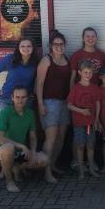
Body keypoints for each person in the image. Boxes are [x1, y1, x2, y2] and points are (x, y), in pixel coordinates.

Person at [0, 85, 52, 193]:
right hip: (2, 153)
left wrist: (33, 152)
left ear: (28, 98)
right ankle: (9, 182)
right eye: (17, 97)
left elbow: (33, 137)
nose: (20, 100)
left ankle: (16, 168)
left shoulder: (30, 114)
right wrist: (20, 145)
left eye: (23, 97)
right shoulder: (5, 113)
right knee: (8, 148)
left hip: (19, 153)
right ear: (12, 98)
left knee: (45, 160)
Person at [36, 30, 71, 179]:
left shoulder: (67, 60)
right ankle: (46, 172)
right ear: (51, 46)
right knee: (50, 138)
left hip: (64, 103)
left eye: (61, 44)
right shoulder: (46, 60)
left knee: (60, 138)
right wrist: (40, 104)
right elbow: (39, 84)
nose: (59, 47)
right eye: (56, 44)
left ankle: (52, 164)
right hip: (49, 103)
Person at [67, 60, 101, 182]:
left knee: (91, 145)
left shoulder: (94, 87)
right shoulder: (76, 88)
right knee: (80, 146)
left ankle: (91, 168)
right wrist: (81, 111)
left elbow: (97, 103)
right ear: (80, 72)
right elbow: (69, 105)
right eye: (85, 72)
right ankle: (81, 170)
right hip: (78, 123)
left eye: (90, 72)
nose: (88, 75)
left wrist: (97, 119)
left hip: (90, 123)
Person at [0, 38, 38, 112]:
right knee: (5, 123)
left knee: (24, 123)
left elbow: (38, 80)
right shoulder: (10, 59)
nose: (26, 48)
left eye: (29, 46)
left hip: (26, 100)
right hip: (7, 99)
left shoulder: (36, 62)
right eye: (22, 46)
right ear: (18, 48)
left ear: (33, 48)